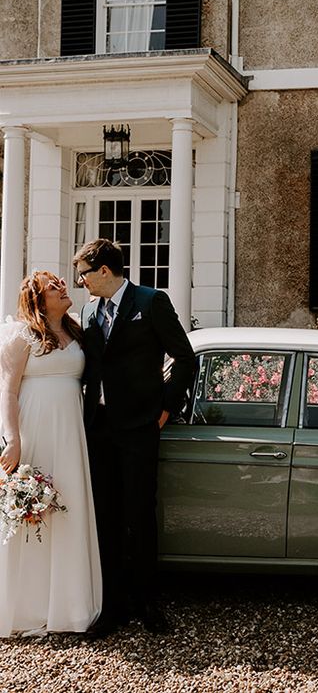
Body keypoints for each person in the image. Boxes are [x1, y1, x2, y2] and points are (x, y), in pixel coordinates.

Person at [73, 239, 195, 636]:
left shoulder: (151, 301)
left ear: (104, 271)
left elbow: (184, 356)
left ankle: (147, 603)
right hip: (100, 428)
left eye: (85, 274)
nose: (81, 281)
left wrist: (165, 407)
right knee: (105, 517)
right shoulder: (89, 310)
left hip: (141, 427)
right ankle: (112, 607)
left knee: (140, 515)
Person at [0, 272, 102, 637]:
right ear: (39, 299)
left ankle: (69, 605)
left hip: (71, 435)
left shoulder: (77, 332)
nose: (63, 287)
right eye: (53, 286)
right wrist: (13, 439)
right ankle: (29, 606)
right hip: (36, 431)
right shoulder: (21, 336)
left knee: (69, 509)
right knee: (35, 514)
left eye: (61, 282)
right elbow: (8, 393)